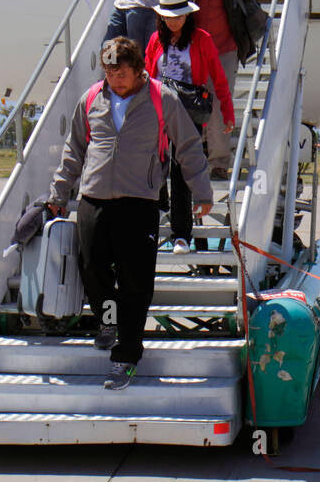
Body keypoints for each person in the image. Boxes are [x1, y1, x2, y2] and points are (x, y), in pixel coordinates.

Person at [47, 37, 213, 390]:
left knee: (136, 282)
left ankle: (126, 357)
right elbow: (74, 148)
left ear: (139, 70)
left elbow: (188, 146)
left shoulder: (161, 99)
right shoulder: (92, 98)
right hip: (94, 197)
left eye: (121, 74)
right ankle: (108, 321)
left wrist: (202, 191)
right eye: (109, 73)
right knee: (92, 269)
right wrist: (60, 192)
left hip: (139, 201)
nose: (115, 81)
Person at [168, 0, 262, 179]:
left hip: (224, 48)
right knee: (187, 103)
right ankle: (190, 159)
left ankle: (219, 163)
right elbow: (168, 7)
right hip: (191, 49)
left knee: (221, 104)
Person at [144, 0, 234, 254]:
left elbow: (218, 77)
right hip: (158, 113)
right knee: (152, 167)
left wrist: (228, 112)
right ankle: (155, 218)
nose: (175, 21)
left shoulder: (202, 39)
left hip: (187, 115)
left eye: (179, 16)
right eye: (169, 16)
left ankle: (181, 235)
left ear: (187, 15)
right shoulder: (154, 40)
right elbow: (147, 77)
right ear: (161, 17)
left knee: (181, 173)